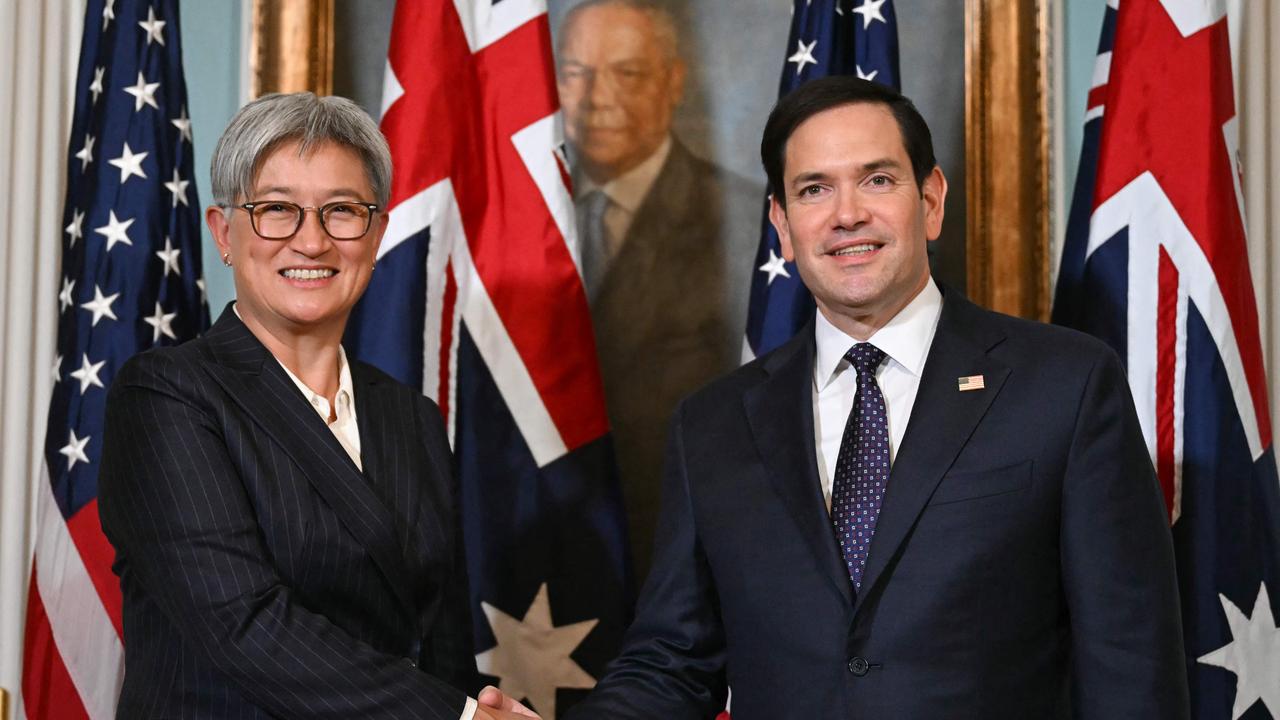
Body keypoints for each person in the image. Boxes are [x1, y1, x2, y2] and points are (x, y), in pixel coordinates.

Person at [482, 76, 1190, 717]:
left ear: (932, 200)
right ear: (784, 228)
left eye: (877, 180)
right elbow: (674, 661)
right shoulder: (715, 424)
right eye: (814, 189)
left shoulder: (1063, 384)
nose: (846, 214)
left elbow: (1129, 662)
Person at [98, 93, 527, 720]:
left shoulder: (411, 417)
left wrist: (467, 706)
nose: (312, 240)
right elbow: (245, 624)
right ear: (223, 234)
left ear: (376, 235)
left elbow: (441, 639)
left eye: (342, 212)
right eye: (276, 210)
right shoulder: (166, 396)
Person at [556, 0, 763, 577]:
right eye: (575, 73)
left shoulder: (745, 224)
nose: (598, 98)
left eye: (627, 73)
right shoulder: (517, 217)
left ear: (673, 83)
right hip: (540, 555)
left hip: (686, 552)